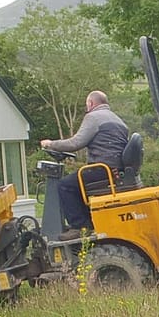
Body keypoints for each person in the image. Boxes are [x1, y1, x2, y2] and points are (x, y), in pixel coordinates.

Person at [41, 90, 129, 235]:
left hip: (102, 168)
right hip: (115, 168)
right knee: (77, 183)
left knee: (65, 185)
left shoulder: (94, 117)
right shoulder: (117, 119)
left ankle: (79, 226)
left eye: (86, 104)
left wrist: (51, 144)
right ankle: (88, 222)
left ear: (91, 103)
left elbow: (75, 143)